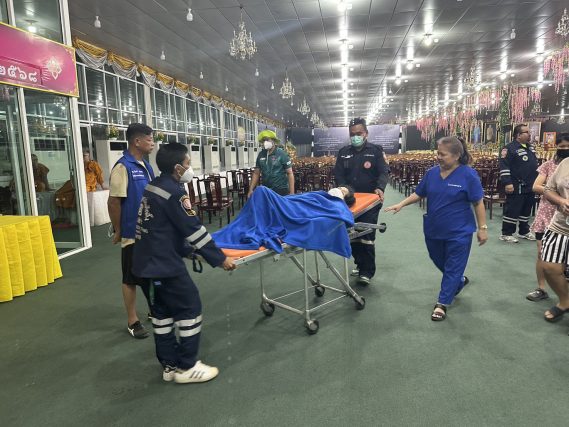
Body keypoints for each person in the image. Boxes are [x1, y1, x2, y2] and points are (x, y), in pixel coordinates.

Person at [132, 143, 236, 383]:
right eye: (188, 164)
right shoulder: (175, 193)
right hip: (164, 265)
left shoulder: (153, 186)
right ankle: (187, 367)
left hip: (145, 265)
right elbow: (193, 229)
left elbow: (162, 226)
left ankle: (169, 365)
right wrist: (220, 259)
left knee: (162, 315)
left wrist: (186, 251)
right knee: (190, 307)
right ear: (178, 168)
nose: (190, 168)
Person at [385, 136, 488, 321]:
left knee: (453, 266)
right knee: (438, 260)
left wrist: (483, 228)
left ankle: (442, 303)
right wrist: (401, 204)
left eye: (443, 154)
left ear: (456, 155)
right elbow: (419, 193)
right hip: (434, 229)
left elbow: (478, 202)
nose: (438, 157)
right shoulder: (431, 173)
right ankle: (458, 281)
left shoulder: (468, 175)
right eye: (437, 153)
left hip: (460, 231)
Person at [108, 123, 155, 339]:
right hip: (131, 234)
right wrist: (118, 229)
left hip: (149, 232)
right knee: (130, 278)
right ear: (137, 141)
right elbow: (114, 202)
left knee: (152, 273)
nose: (152, 143)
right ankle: (132, 321)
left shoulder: (146, 166)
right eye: (149, 139)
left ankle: (154, 310)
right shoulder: (123, 167)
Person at [333, 117, 389, 285]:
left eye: (359, 133)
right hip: (350, 201)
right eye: (352, 134)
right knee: (352, 234)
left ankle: (367, 271)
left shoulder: (376, 151)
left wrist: (380, 188)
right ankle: (359, 263)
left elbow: (384, 171)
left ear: (366, 133)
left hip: (370, 201)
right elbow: (338, 175)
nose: (355, 136)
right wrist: (343, 190)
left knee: (366, 234)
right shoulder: (343, 152)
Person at [526, 134, 569, 302]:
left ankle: (563, 294)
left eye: (567, 146)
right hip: (547, 213)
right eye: (562, 146)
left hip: (564, 218)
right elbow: (536, 186)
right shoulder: (548, 165)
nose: (565, 149)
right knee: (542, 254)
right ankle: (541, 288)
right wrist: (554, 193)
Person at [499, 124, 539, 243]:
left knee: (526, 209)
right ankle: (506, 233)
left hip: (530, 184)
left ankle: (524, 231)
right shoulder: (509, 148)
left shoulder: (530, 147)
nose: (529, 134)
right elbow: (504, 166)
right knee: (513, 209)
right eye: (526, 132)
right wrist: (507, 183)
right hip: (516, 184)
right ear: (518, 135)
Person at [248, 130, 294, 197]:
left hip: (281, 190)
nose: (265, 142)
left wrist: (292, 193)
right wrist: (251, 189)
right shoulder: (261, 154)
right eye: (263, 140)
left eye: (267, 140)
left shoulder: (281, 154)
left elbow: (290, 173)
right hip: (266, 190)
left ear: (274, 141)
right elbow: (256, 173)